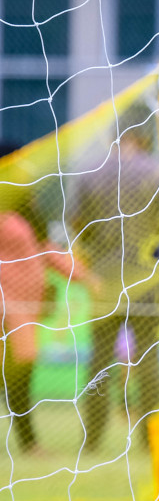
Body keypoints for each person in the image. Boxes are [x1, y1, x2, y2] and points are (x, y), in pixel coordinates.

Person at [71, 120, 159, 449]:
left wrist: (98, 252)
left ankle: (93, 438)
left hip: (105, 280)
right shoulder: (158, 173)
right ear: (144, 136)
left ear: (114, 136)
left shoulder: (90, 172)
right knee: (148, 363)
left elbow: (76, 223)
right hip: (147, 277)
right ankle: (151, 439)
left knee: (99, 362)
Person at [0, 143, 75, 453]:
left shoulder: (26, 202)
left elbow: (45, 247)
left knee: (17, 372)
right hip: (8, 303)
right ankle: (29, 442)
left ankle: (28, 441)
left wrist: (80, 273)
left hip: (28, 305)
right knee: (20, 367)